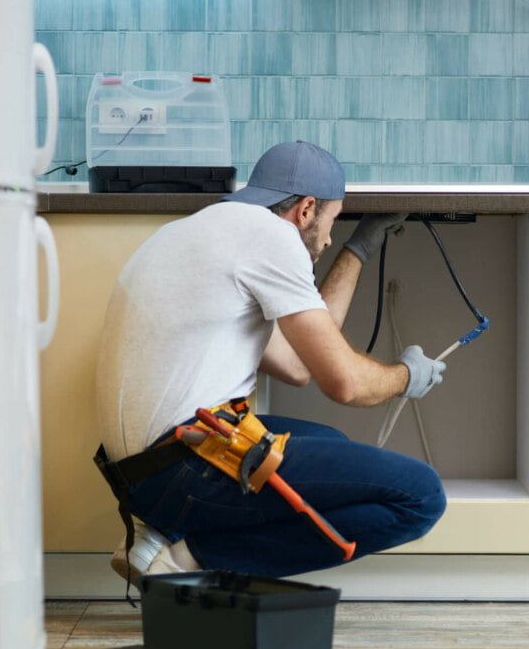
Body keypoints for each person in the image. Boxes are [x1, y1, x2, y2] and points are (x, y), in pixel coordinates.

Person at [95, 140, 447, 580]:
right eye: (333, 222)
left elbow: (298, 366)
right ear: (306, 209)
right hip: (183, 470)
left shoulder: (201, 232)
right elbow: (346, 384)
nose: (329, 236)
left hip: (142, 475)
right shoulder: (270, 236)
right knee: (421, 497)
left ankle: (160, 533)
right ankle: (187, 560)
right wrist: (406, 376)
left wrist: (360, 247)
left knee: (332, 445)